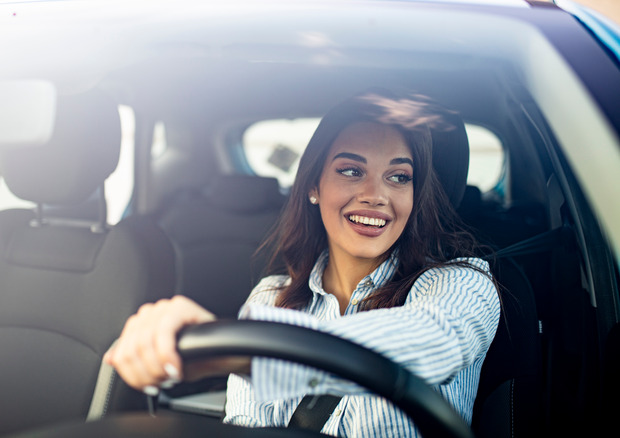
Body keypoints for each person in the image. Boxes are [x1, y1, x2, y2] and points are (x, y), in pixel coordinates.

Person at [103, 90, 500, 437]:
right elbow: (246, 427)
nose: (375, 195)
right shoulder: (272, 297)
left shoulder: (462, 283)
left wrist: (248, 353)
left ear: (416, 197)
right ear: (313, 185)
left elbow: (435, 340)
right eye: (350, 170)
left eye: (398, 177)